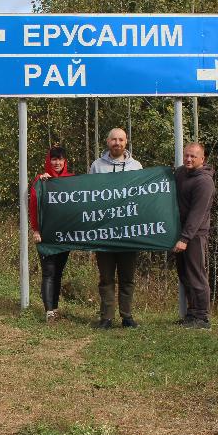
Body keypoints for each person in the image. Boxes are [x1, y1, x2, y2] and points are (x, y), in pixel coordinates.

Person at [89, 128, 143, 329]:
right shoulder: (97, 166)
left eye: (121, 139)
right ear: (107, 141)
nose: (117, 143)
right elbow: (89, 194)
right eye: (114, 139)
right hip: (104, 232)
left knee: (127, 277)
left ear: (126, 142)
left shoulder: (136, 166)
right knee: (106, 277)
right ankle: (107, 317)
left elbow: (144, 196)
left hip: (128, 233)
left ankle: (127, 316)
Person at [29, 146, 74, 323]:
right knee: (48, 271)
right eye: (53, 159)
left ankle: (55, 308)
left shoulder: (71, 180)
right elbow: (34, 206)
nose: (57, 163)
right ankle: (49, 312)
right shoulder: (41, 180)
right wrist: (36, 230)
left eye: (60, 159)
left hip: (65, 235)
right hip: (46, 234)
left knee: (58, 272)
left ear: (65, 161)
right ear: (49, 161)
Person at [173, 143, 215, 329]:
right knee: (185, 275)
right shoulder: (181, 173)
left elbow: (197, 214)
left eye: (193, 157)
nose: (189, 159)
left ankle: (202, 317)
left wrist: (185, 238)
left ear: (202, 159)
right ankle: (192, 313)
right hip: (180, 233)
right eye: (186, 156)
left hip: (195, 235)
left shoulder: (204, 182)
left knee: (196, 274)